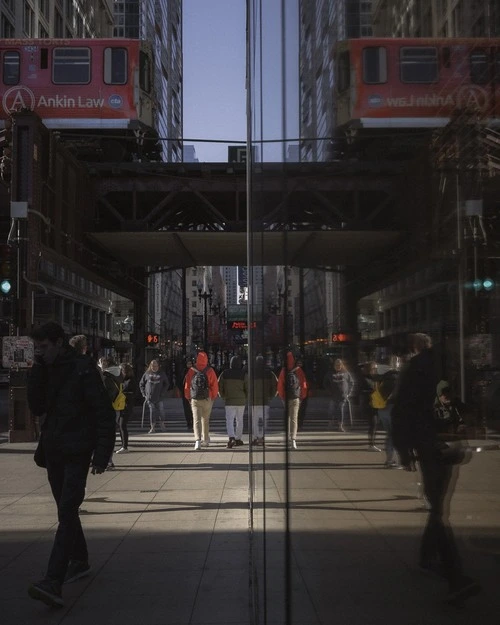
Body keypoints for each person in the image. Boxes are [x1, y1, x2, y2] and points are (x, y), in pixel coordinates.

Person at [26, 322, 116, 608]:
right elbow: (37, 406)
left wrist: (102, 455)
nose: (40, 352)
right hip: (54, 450)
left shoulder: (83, 369)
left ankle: (54, 580)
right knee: (65, 509)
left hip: (77, 450)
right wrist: (38, 369)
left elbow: (103, 413)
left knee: (66, 510)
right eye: (36, 347)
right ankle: (80, 559)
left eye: (43, 347)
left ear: (59, 343)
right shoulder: (45, 369)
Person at [391, 333, 481, 605]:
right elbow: (404, 410)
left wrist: (405, 448)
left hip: (437, 444)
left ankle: (428, 558)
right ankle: (454, 574)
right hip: (438, 445)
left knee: (438, 505)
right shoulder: (436, 368)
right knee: (438, 506)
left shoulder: (427, 368)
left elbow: (405, 410)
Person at [183, 351, 219, 450]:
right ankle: (206, 440)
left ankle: (197, 441)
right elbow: (215, 385)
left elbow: (187, 385)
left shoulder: (191, 370)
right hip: (207, 398)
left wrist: (188, 397)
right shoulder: (210, 371)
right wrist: (213, 397)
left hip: (195, 398)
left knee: (196, 420)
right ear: (206, 359)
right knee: (205, 420)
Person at [277, 351, 308, 449]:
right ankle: (293, 439)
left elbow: (280, 386)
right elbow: (303, 384)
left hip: (286, 397)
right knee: (294, 419)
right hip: (296, 397)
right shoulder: (299, 370)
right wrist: (302, 396)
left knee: (287, 418)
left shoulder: (283, 371)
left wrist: (282, 397)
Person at [218, 355, 248, 448]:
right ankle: (238, 438)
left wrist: (223, 396)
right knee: (240, 420)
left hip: (229, 400)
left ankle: (231, 438)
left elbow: (219, 386)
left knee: (229, 420)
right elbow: (248, 388)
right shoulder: (244, 374)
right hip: (241, 401)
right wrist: (245, 397)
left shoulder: (225, 373)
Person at [99, 356, 124, 468]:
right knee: (110, 434)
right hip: (116, 406)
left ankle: (107, 460)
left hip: (108, 407)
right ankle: (108, 460)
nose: (99, 364)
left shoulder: (106, 375)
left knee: (103, 435)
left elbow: (110, 392)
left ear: (105, 363)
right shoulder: (118, 373)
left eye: (100, 362)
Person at [250, 355, 277, 446]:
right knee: (264, 420)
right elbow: (275, 386)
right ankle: (262, 437)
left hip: (254, 401)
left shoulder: (252, 373)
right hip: (265, 401)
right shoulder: (270, 373)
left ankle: (255, 438)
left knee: (255, 421)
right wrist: (271, 396)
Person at [376, 368, 400, 467]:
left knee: (389, 434)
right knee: (393, 435)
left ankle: (389, 459)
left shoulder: (383, 381)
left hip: (381, 409)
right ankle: (390, 460)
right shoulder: (397, 382)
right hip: (392, 409)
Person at [323, 358, 354, 432]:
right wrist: (329, 391)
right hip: (333, 396)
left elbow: (351, 383)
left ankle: (340, 425)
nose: (338, 366)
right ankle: (330, 423)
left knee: (340, 410)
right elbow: (325, 383)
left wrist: (348, 393)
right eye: (336, 365)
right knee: (331, 410)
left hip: (343, 396)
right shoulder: (330, 373)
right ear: (334, 365)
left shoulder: (346, 373)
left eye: (339, 365)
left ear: (342, 365)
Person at [139, 359, 169, 433]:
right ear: (150, 366)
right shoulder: (146, 373)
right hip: (150, 397)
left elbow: (167, 384)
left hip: (159, 397)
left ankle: (162, 423)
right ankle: (152, 427)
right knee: (152, 412)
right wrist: (144, 394)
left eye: (155, 366)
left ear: (158, 366)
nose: (154, 367)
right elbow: (141, 384)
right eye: (152, 366)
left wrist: (163, 393)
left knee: (161, 411)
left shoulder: (162, 374)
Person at [115, 362, 136, 454]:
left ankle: (125, 446)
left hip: (126, 405)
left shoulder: (130, 380)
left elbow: (130, 392)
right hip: (121, 405)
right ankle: (123, 445)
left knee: (122, 425)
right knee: (120, 425)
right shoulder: (121, 380)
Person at [179, 357, 194, 431]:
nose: (189, 365)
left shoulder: (195, 371)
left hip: (193, 392)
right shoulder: (183, 372)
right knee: (187, 409)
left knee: (193, 408)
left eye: (190, 364)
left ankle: (193, 422)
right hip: (185, 392)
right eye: (188, 364)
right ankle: (189, 422)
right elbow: (180, 382)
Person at [296, 358, 309, 431]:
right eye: (298, 363)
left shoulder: (305, 372)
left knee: (302, 410)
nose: (299, 365)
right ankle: (298, 424)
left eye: (301, 363)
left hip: (303, 393)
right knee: (298, 410)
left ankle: (300, 424)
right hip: (298, 393)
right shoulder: (294, 371)